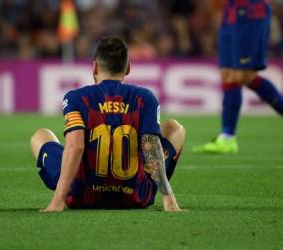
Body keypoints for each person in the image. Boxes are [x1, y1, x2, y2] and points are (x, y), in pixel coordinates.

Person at [30, 36, 186, 212]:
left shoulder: (75, 98)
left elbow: (76, 146)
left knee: (41, 135)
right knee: (175, 128)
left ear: (95, 67)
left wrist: (58, 200)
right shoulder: (146, 98)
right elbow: (150, 144)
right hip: (136, 196)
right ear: (128, 68)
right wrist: (168, 197)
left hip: (82, 196)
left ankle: (64, 193)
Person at [192, 0, 283, 154]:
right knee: (228, 74)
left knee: (242, 75)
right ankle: (227, 138)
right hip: (230, 10)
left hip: (250, 11)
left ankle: (227, 137)